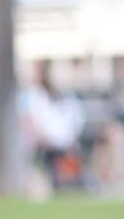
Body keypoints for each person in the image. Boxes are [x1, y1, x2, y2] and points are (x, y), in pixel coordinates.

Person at [19, 60, 90, 192]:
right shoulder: (33, 95)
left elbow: (76, 120)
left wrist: (70, 139)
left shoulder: (66, 97)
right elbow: (29, 121)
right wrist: (41, 138)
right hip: (43, 142)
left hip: (63, 142)